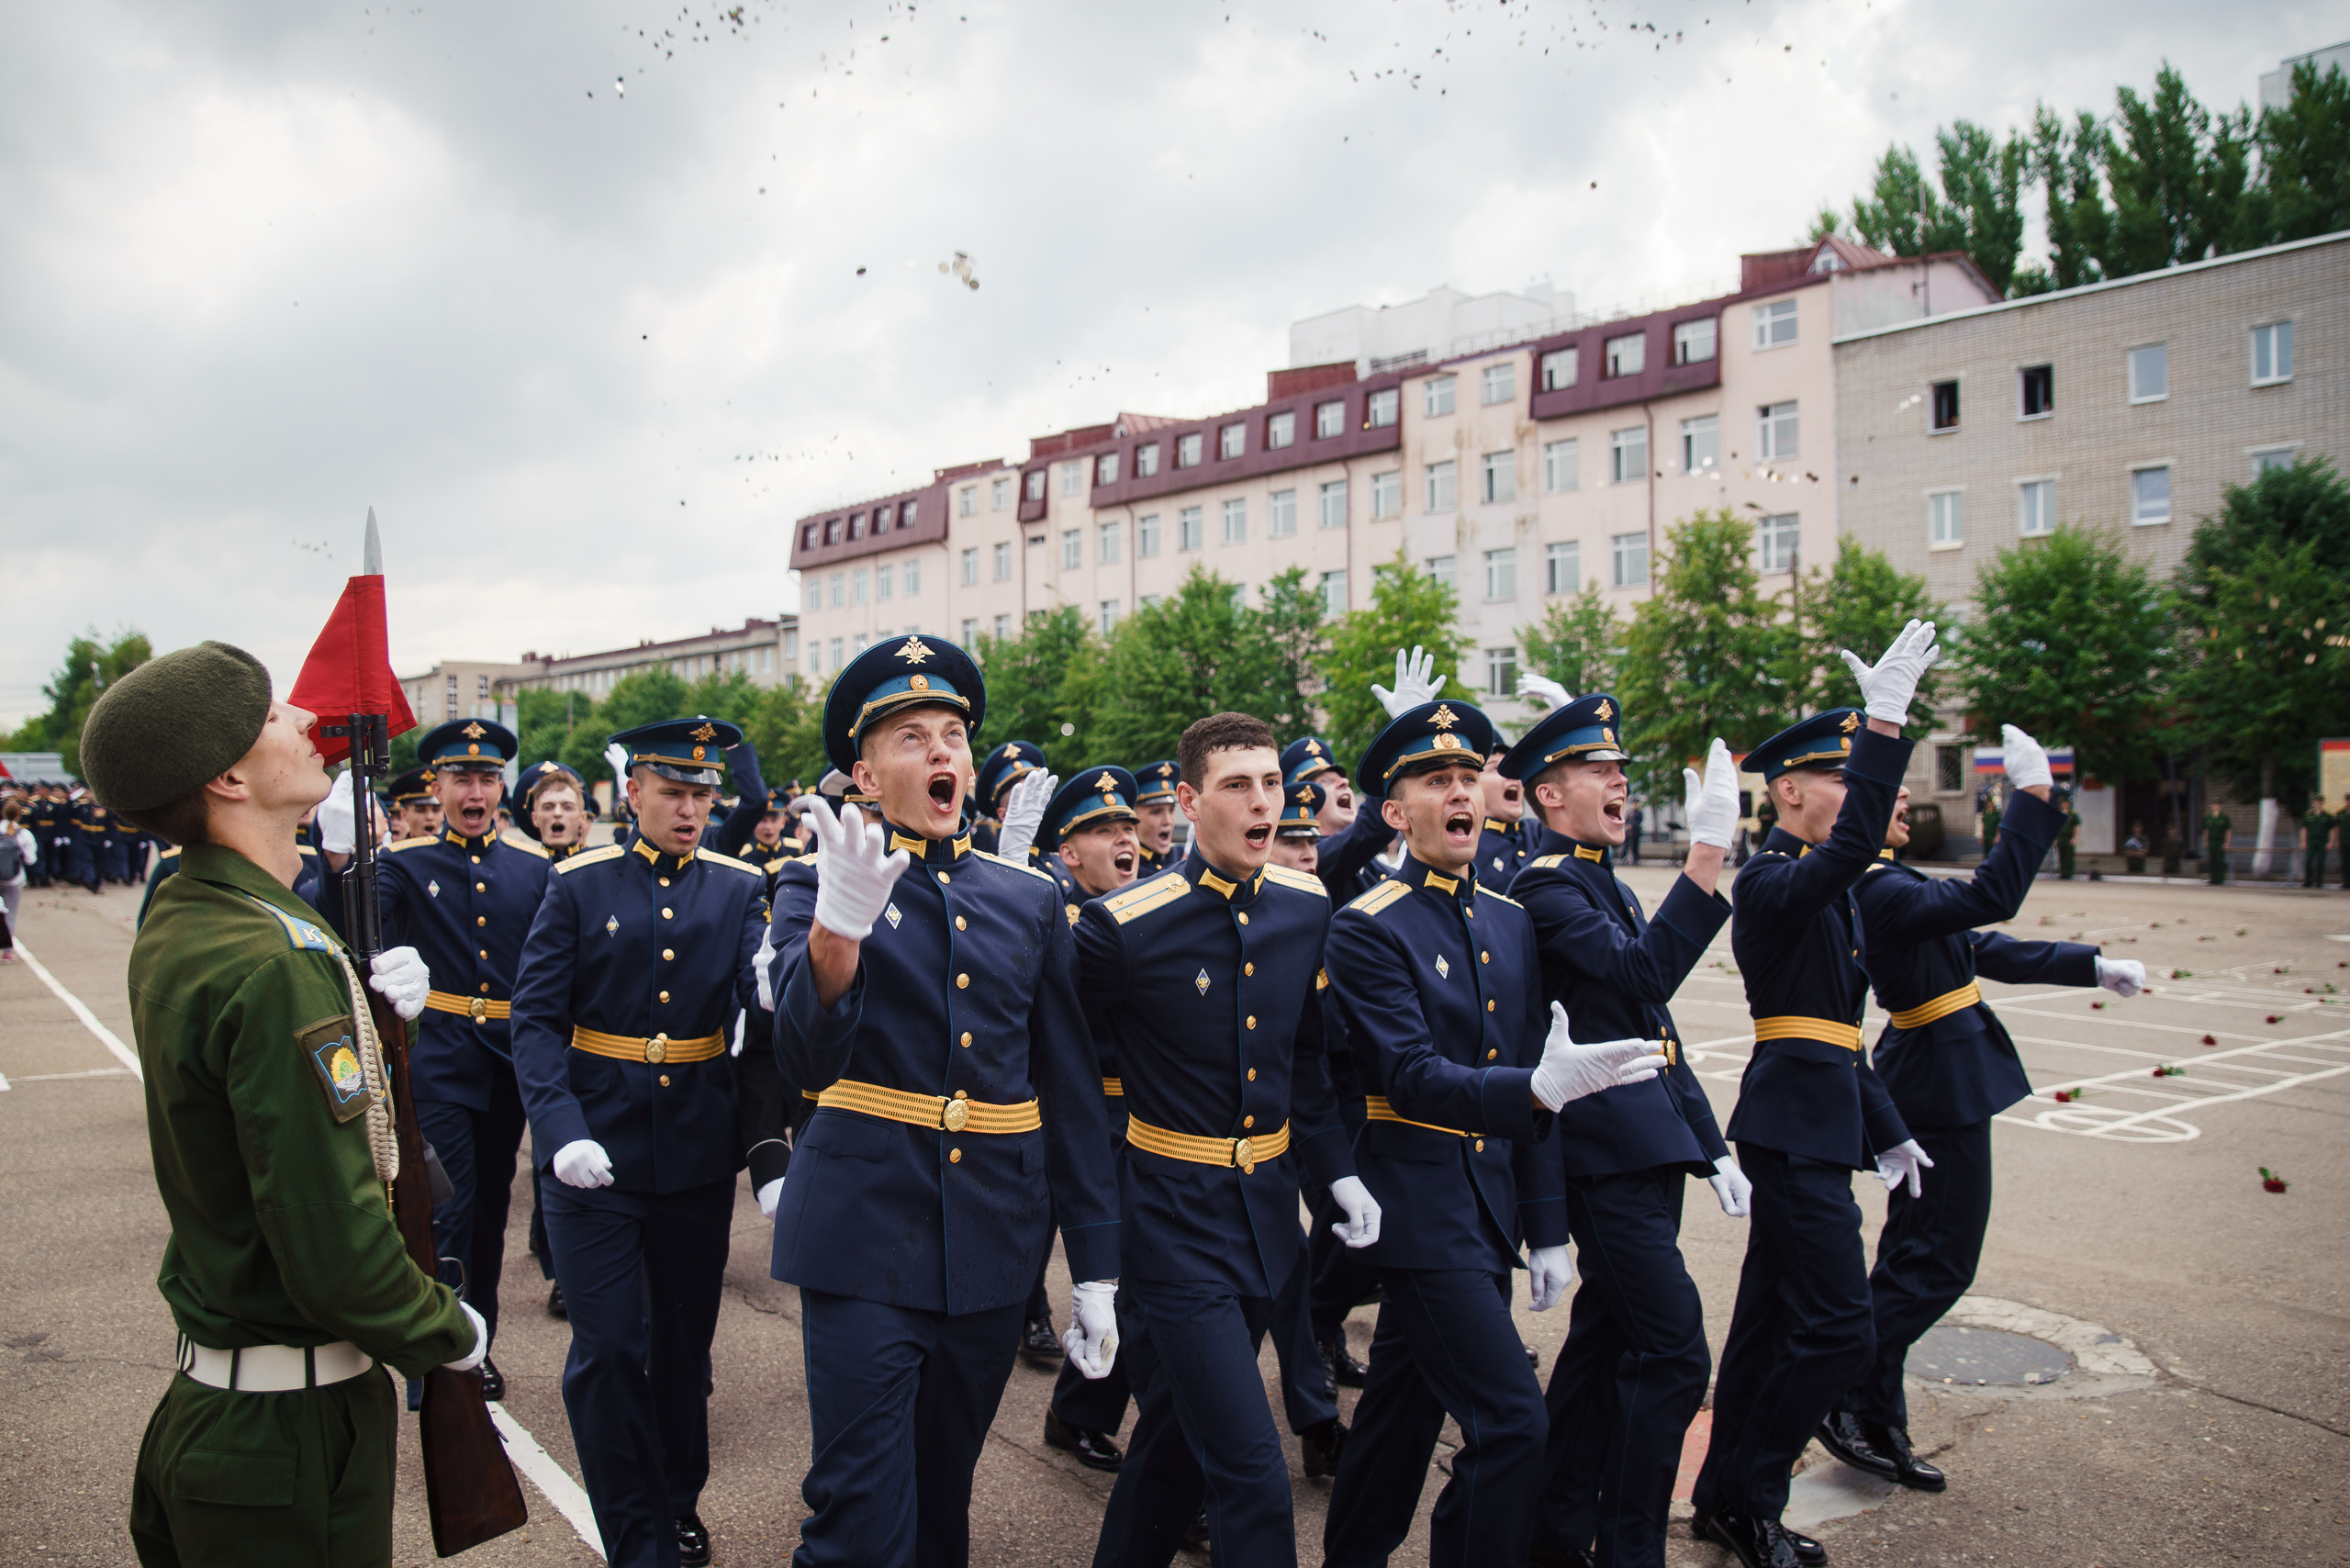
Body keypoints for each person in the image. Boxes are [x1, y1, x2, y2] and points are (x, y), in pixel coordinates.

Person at [79, 640, 482, 1564]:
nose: (304, 720)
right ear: (226, 776)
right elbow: (335, 1247)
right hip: (287, 1437)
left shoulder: (194, 913)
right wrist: (447, 1327)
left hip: (225, 1411)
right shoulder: (274, 959)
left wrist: (379, 1031)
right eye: (271, 716)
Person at [767, 635, 1120, 1568]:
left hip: (993, 1241)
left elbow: (1071, 1091)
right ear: (862, 770)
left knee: (939, 1509)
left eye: (952, 734)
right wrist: (836, 931)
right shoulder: (817, 880)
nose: (938, 752)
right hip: (861, 1237)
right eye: (909, 735)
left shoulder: (1025, 897)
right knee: (856, 1519)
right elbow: (801, 1059)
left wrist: (1094, 1267)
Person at [1320, 697, 1667, 1568]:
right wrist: (1534, 1090)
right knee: (1513, 1421)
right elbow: (1408, 1074)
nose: (1463, 792)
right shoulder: (1366, 928)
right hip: (1420, 1208)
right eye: (1439, 781)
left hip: (1488, 1209)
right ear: (1397, 814)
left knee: (1401, 1411)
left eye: (1470, 776)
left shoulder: (1509, 919)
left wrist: (1546, 1227)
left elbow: (1535, 1077)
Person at [1820, 726, 2147, 1499]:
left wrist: (2090, 964)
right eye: (1885, 791)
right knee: (1937, 1264)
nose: (1902, 798)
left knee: (1911, 1261)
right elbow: (1992, 895)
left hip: (1942, 1072)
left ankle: (1873, 1409)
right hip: (1935, 1080)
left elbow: (1979, 944)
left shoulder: (1890, 881)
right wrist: (2032, 802)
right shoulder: (1877, 885)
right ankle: (1839, 1387)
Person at [1690, 620, 1942, 1568]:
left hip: (1819, 1117)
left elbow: (1843, 1035)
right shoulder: (1773, 882)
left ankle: (1725, 1500)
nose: (1857, 796)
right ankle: (1754, 1495)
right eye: (1840, 779)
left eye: (1855, 775)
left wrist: (1886, 1129)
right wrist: (1885, 722)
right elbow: (1847, 859)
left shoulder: (1826, 892)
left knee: (1763, 1329)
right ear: (1788, 790)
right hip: (1789, 1126)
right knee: (1839, 1327)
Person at [511, 716, 770, 1568]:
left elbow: (755, 1018)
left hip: (694, 1149)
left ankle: (677, 1498)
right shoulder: (580, 885)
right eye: (674, 793)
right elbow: (539, 1020)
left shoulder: (738, 886)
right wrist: (557, 1131)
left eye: (704, 795)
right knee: (611, 1346)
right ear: (633, 794)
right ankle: (634, 1530)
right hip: (595, 1150)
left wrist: (778, 991)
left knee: (683, 1348)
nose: (692, 810)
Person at [1502, 697, 1747, 1568]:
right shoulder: (1545, 886)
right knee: (1675, 1349)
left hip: (1648, 1149)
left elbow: (1652, 1021)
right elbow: (1649, 973)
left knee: (1604, 1351)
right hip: (1600, 1164)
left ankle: (1555, 1532)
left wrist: (1709, 1142)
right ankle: (1629, 1549)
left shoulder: (1597, 879)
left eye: (1621, 771)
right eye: (1599, 771)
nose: (1621, 782)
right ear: (1547, 796)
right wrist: (1708, 853)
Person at [320, 719, 551, 1409]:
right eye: (460, 779)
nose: (473, 791)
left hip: (508, 1063)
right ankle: (438, 1353)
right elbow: (353, 929)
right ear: (438, 787)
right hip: (440, 1059)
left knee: (489, 1216)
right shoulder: (404, 866)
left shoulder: (534, 870)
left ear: (500, 789)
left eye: (484, 779)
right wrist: (340, 858)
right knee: (446, 1208)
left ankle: (479, 1345)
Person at [1034, 767, 1147, 1473]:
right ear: (1068, 854)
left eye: (1129, 827)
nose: (1126, 839)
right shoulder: (1065, 923)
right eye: (1107, 831)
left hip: (1144, 1116)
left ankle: (1080, 1408)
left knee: (1139, 1278)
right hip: (1081, 1114)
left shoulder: (1149, 910)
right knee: (1114, 1272)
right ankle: (1077, 1404)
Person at [968, 737, 1048, 855]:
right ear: (1003, 814)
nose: (1037, 805)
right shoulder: (996, 853)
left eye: (1037, 794)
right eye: (1025, 799)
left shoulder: (1054, 854)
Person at [516, 759, 596, 861]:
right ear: (535, 818)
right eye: (548, 807)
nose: (557, 813)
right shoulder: (524, 873)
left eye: (567, 807)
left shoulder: (597, 869)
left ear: (583, 818)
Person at [1133, 759, 1181, 875]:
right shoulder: (1129, 870)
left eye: (1171, 810)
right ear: (1133, 819)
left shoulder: (1183, 857)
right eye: (1156, 812)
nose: (1167, 821)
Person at [0, 800, 34, 960]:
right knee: (10, 914)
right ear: (19, 814)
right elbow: (30, 860)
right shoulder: (24, 834)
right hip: (14, 878)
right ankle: (7, 951)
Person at [387, 765, 444, 842]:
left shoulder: (456, 852)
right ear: (404, 814)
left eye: (436, 810)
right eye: (420, 810)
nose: (430, 817)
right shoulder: (394, 853)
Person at [2302, 797, 2333, 889]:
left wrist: (2330, 842)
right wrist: (2304, 842)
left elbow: (2331, 830)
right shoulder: (2308, 815)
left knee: (2320, 862)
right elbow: (2304, 829)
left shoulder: (2327, 816)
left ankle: (2319, 882)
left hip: (2322, 842)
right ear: (2314, 803)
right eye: (2317, 802)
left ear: (2322, 803)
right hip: (2311, 841)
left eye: (2320, 802)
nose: (2318, 804)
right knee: (2308, 861)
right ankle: (2308, 881)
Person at [2205, 805, 2232, 885]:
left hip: (2220, 841)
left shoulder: (2224, 817)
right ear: (2211, 807)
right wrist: (2206, 841)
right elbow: (2206, 830)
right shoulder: (2209, 817)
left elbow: (2228, 830)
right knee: (2212, 860)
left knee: (2219, 860)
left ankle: (2220, 879)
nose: (2216, 807)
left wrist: (2227, 842)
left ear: (2221, 807)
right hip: (2211, 841)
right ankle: (2213, 878)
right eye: (2214, 805)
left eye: (2218, 805)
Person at [2057, 801, 2081, 879]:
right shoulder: (2059, 813)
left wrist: (2075, 838)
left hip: (2069, 837)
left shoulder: (2073, 814)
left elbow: (2077, 826)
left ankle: (2069, 872)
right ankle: (2063, 872)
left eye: (2066, 803)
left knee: (2069, 856)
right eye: (2063, 803)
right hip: (2061, 837)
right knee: (2061, 855)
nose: (2064, 805)